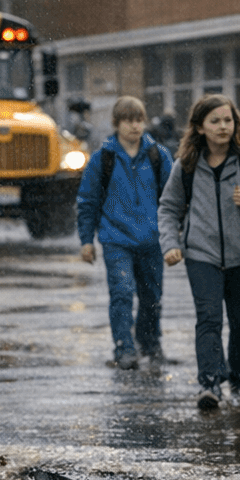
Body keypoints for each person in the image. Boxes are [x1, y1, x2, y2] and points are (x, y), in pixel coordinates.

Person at [158, 94, 240, 409]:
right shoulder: (185, 165)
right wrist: (170, 244)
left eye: (228, 120)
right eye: (215, 121)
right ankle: (210, 384)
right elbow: (168, 208)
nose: (223, 127)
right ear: (200, 127)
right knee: (209, 318)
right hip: (201, 255)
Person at [77, 96, 175, 370]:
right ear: (116, 124)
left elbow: (173, 199)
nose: (134, 126)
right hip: (116, 239)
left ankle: (150, 343)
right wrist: (87, 240)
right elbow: (88, 201)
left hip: (151, 240)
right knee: (122, 292)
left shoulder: (158, 156)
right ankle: (124, 348)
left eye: (139, 120)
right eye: (128, 120)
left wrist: (173, 235)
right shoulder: (103, 158)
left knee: (152, 297)